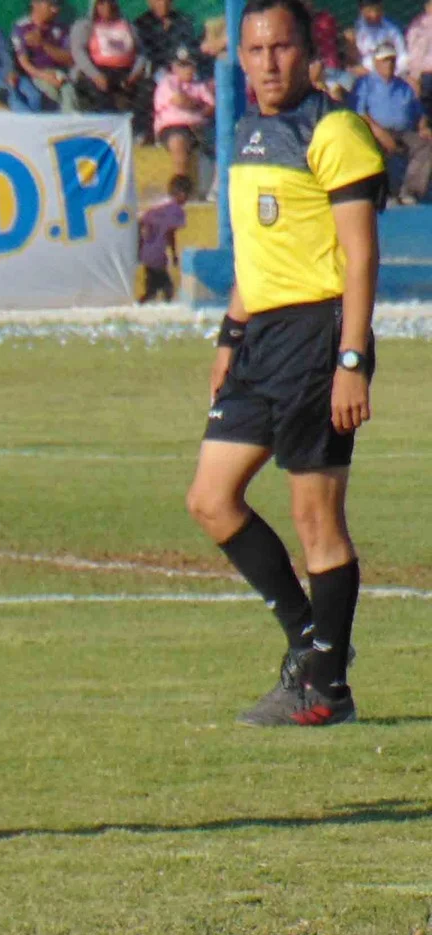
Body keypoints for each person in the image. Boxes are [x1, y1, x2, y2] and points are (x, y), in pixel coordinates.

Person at [184, 0, 383, 727]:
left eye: (282, 48)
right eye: (255, 50)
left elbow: (360, 254)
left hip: (318, 335)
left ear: (308, 52)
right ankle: (312, 644)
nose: (268, 64)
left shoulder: (334, 132)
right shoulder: (245, 132)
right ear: (239, 57)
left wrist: (352, 357)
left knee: (315, 516)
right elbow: (256, 255)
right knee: (210, 499)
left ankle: (327, 689)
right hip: (260, 338)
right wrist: (229, 336)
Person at [352, 39, 432, 196]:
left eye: (392, 60)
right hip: (373, 132)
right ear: (376, 62)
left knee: (425, 144)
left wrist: (423, 127)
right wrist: (380, 133)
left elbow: (419, 112)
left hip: (403, 132)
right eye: (384, 60)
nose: (389, 64)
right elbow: (359, 113)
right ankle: (383, 193)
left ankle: (411, 191)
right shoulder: (365, 83)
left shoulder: (403, 86)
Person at [71, 0, 146, 115]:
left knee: (147, 90)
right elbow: (78, 52)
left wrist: (134, 75)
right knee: (102, 97)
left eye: (110, 2)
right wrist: (96, 76)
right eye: (102, 3)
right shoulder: (86, 25)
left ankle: (139, 130)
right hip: (97, 72)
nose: (107, 6)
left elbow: (140, 52)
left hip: (126, 73)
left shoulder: (127, 26)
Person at [153, 44, 215, 181]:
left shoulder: (199, 85)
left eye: (189, 65)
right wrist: (198, 104)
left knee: (217, 142)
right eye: (181, 65)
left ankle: (216, 187)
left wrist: (193, 104)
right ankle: (181, 184)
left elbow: (211, 107)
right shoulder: (168, 81)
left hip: (198, 127)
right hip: (173, 127)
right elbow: (179, 101)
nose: (185, 69)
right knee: (178, 143)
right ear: (174, 67)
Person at [11, 0, 77, 110]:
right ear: (36, 4)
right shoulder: (22, 28)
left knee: (69, 91)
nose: (55, 10)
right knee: (49, 93)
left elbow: (69, 59)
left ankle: (70, 124)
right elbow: (24, 62)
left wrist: (43, 44)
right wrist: (44, 76)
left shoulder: (60, 28)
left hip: (58, 73)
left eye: (57, 5)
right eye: (51, 5)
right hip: (35, 75)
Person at [138, 171, 189, 300]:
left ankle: (146, 303)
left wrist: (140, 246)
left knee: (153, 287)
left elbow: (141, 223)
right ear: (182, 195)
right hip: (158, 257)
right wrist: (174, 254)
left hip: (146, 253)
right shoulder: (176, 211)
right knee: (166, 287)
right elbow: (170, 234)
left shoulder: (157, 208)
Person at [135, 0, 200, 77]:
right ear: (150, 2)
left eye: (166, 1)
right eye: (158, 1)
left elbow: (192, 47)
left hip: (183, 66)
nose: (163, 4)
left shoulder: (183, 19)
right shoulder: (142, 24)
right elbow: (146, 53)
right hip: (159, 69)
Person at [351, 0, 406, 72]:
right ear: (361, 11)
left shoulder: (391, 29)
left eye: (377, 10)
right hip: (366, 70)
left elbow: (402, 52)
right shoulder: (356, 30)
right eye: (369, 11)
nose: (374, 14)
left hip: (392, 69)